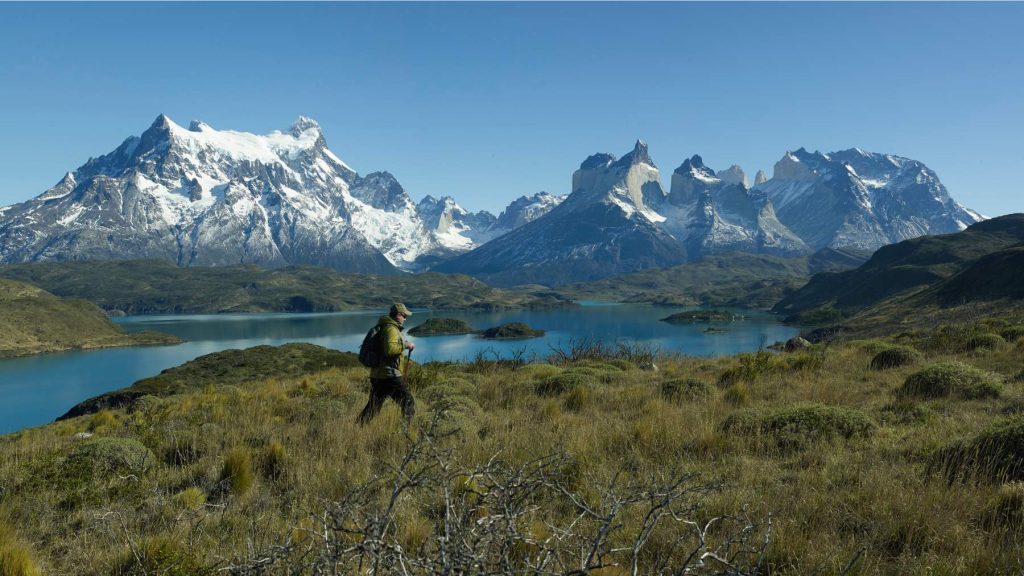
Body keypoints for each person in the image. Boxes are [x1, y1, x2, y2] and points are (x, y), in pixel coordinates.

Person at [356, 303, 416, 425]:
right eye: (404, 316)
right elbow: (389, 349)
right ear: (398, 315)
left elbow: (386, 346)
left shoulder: (383, 326)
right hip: (390, 375)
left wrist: (401, 343)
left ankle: (357, 427)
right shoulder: (391, 329)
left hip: (378, 375)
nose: (405, 319)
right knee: (408, 401)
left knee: (373, 407)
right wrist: (406, 345)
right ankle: (405, 430)